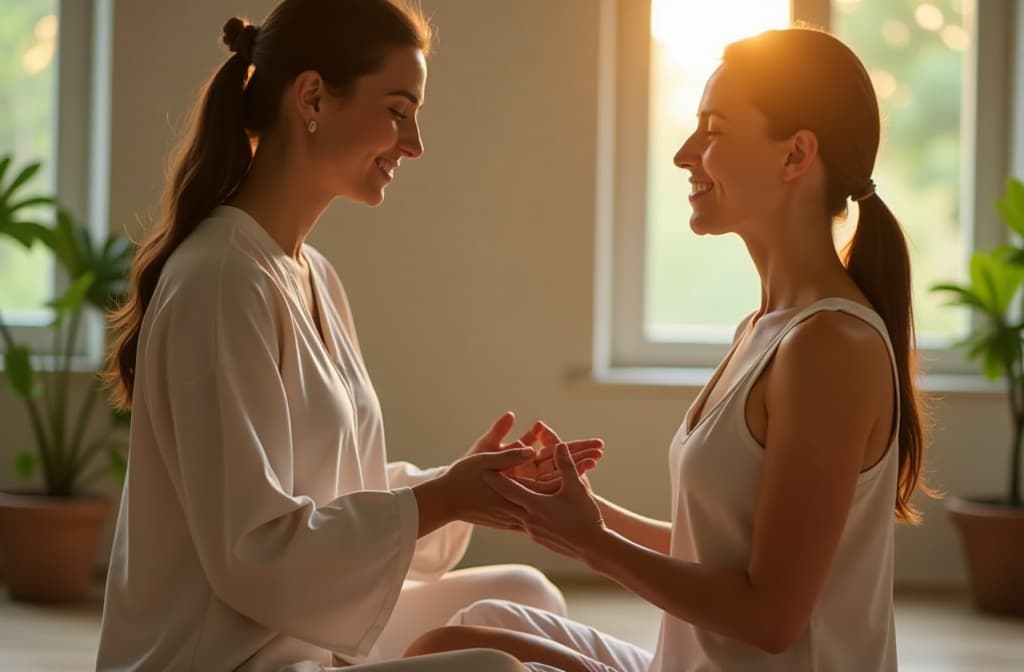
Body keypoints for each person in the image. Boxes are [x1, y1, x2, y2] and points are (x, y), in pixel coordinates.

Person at [403, 27, 932, 672]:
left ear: (796, 155)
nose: (685, 154)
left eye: (713, 129)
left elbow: (770, 619)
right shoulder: (768, 327)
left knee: (449, 656)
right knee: (478, 629)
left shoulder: (830, 347)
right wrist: (585, 517)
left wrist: (592, 546)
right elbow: (715, 554)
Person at [96, 1, 604, 670]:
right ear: (312, 97)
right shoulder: (221, 282)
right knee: (499, 668)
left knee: (523, 593)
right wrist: (445, 497)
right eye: (398, 109)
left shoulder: (312, 275)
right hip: (226, 656)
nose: (415, 142)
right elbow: (254, 554)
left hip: (295, 632)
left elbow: (341, 491)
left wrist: (463, 490)